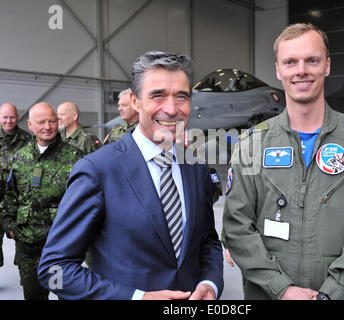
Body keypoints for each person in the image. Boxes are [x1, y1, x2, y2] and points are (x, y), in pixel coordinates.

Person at [222, 23, 344, 300]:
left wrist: (333, 292)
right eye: (290, 62)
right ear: (278, 70)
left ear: (327, 66)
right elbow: (237, 227)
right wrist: (280, 289)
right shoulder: (251, 144)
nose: (301, 70)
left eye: (312, 60)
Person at [38, 51, 224, 300]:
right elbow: (54, 271)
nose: (171, 109)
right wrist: (136, 298)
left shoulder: (197, 168)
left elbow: (208, 242)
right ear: (135, 102)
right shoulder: (97, 170)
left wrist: (209, 283)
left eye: (181, 97)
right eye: (157, 95)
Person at [2, 102, 83, 300]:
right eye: (41, 122)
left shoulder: (74, 157)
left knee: (64, 294)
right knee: (34, 296)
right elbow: (10, 196)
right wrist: (10, 225)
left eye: (52, 121)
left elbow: (84, 201)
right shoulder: (20, 157)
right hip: (27, 247)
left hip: (59, 247)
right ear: (30, 125)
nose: (47, 126)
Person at [0, 103, 31, 267]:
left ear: (17, 117)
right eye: (5, 117)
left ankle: (25, 274)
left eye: (11, 117)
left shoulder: (27, 139)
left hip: (19, 199)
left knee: (22, 238)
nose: (8, 121)